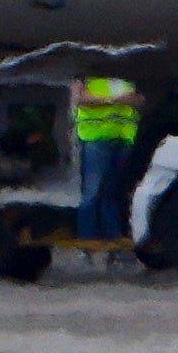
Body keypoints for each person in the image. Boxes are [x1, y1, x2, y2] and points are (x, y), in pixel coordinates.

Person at [70, 66, 143, 243]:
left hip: (122, 139)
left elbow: (139, 100)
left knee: (112, 191)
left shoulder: (125, 78)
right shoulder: (87, 77)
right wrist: (114, 100)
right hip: (96, 139)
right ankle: (87, 238)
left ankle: (113, 237)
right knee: (92, 191)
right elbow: (80, 99)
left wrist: (130, 100)